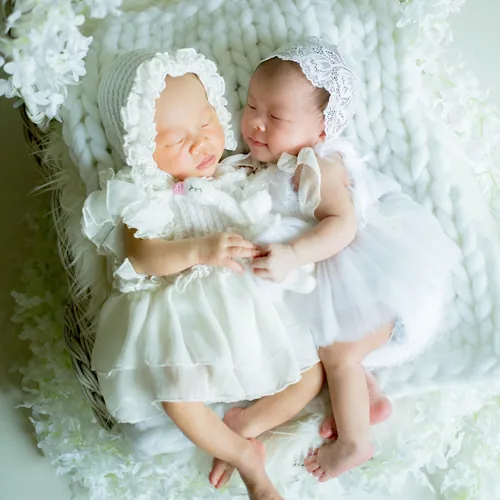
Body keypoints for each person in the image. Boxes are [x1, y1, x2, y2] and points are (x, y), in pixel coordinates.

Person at [211, 37, 460, 484]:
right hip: (329, 286)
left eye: (276, 117)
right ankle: (368, 398)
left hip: (366, 277)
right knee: (326, 352)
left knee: (338, 352)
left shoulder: (318, 167)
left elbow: (342, 227)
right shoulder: (267, 165)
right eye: (251, 106)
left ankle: (353, 443)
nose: (256, 123)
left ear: (322, 131)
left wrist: (293, 254)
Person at [82, 48, 322, 500]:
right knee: (176, 396)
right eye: (176, 140)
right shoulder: (143, 197)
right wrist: (198, 249)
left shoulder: (235, 174)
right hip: (182, 312)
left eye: (207, 124)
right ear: (140, 149)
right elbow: (142, 256)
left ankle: (246, 423)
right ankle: (246, 460)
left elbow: (271, 214)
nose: (199, 144)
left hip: (247, 300)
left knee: (311, 375)